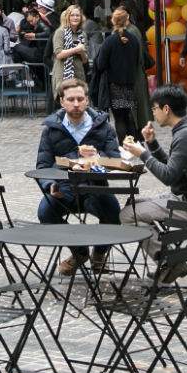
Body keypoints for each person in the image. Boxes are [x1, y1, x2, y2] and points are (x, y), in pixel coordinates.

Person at [120, 84, 187, 274]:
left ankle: (171, 262)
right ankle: (170, 260)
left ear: (166, 109)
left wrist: (143, 154)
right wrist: (152, 143)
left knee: (127, 215)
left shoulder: (186, 135)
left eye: (154, 108)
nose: (153, 114)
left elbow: (168, 176)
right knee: (133, 203)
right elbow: (174, 169)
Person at [35, 79, 122, 275]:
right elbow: (43, 165)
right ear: (61, 101)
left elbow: (115, 159)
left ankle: (99, 253)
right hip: (64, 188)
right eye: (71, 99)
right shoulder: (50, 129)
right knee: (45, 212)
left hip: (95, 186)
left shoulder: (104, 127)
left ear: (87, 100)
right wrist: (50, 185)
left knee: (114, 213)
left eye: (80, 99)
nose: (76, 104)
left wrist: (98, 159)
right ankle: (80, 252)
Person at [90, 6, 149, 140]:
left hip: (114, 85)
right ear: (126, 19)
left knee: (119, 117)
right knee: (129, 114)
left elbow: (100, 64)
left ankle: (123, 145)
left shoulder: (109, 41)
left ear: (113, 21)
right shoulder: (134, 39)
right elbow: (138, 60)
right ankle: (132, 143)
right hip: (130, 83)